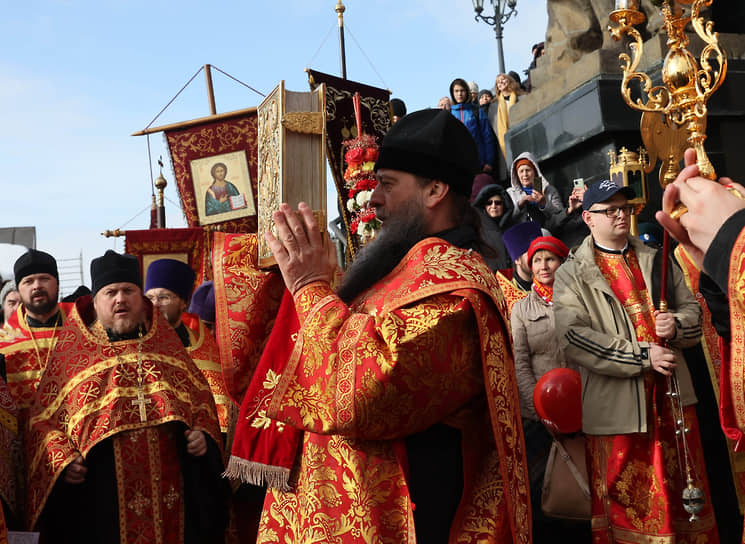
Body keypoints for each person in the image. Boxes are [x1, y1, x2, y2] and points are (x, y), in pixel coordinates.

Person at [227, 108, 530, 543]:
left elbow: (357, 396)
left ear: (435, 190)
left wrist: (311, 289)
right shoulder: (402, 273)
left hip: (402, 521)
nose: (373, 199)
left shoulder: (454, 291)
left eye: (387, 185)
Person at [553, 180, 719, 542]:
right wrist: (642, 355)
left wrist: (675, 326)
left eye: (624, 208)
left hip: (673, 401)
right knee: (633, 509)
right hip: (620, 411)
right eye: (609, 209)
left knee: (685, 500)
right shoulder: (572, 273)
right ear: (588, 218)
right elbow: (574, 336)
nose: (619, 215)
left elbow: (694, 312)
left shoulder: (656, 257)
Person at [26, 249, 227, 543]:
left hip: (170, 502)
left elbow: (201, 405)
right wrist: (63, 460)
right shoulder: (71, 357)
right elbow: (42, 421)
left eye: (128, 290)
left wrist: (203, 436)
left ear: (141, 300)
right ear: (95, 302)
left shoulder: (168, 350)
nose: (120, 298)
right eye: (110, 292)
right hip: (100, 503)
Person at [510, 236, 588, 540]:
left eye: (550, 259)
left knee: (587, 480)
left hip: (584, 408)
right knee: (545, 486)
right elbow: (520, 363)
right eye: (537, 260)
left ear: (562, 262)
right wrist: (539, 408)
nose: (543, 266)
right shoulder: (521, 309)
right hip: (540, 417)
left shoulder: (580, 301)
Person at [144, 258, 231, 434]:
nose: (155, 305)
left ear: (183, 302)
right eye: (150, 298)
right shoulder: (135, 341)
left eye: (164, 297)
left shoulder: (200, 347)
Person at [507, 152, 566, 232]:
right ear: (516, 174)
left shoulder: (549, 190)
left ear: (535, 171)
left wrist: (544, 204)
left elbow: (561, 215)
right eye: (521, 171)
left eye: (528, 170)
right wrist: (520, 205)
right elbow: (507, 219)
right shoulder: (510, 193)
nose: (525, 174)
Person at [449, 78, 496, 173]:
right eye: (456, 91)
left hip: (480, 165)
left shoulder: (477, 111)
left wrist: (489, 162)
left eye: (462, 90)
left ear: (467, 92)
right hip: (458, 167)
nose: (459, 94)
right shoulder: (449, 114)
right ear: (452, 93)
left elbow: (487, 137)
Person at [488, 73, 522, 183]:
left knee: (533, 174)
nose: (501, 82)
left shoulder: (522, 98)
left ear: (509, 81)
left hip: (522, 141)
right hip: (504, 151)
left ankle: (539, 197)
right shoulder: (493, 107)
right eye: (498, 82)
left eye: (503, 79)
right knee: (511, 183)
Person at [472, 181, 514, 271]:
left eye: (498, 203)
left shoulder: (513, 228)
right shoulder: (477, 230)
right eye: (489, 203)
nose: (493, 206)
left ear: (504, 205)